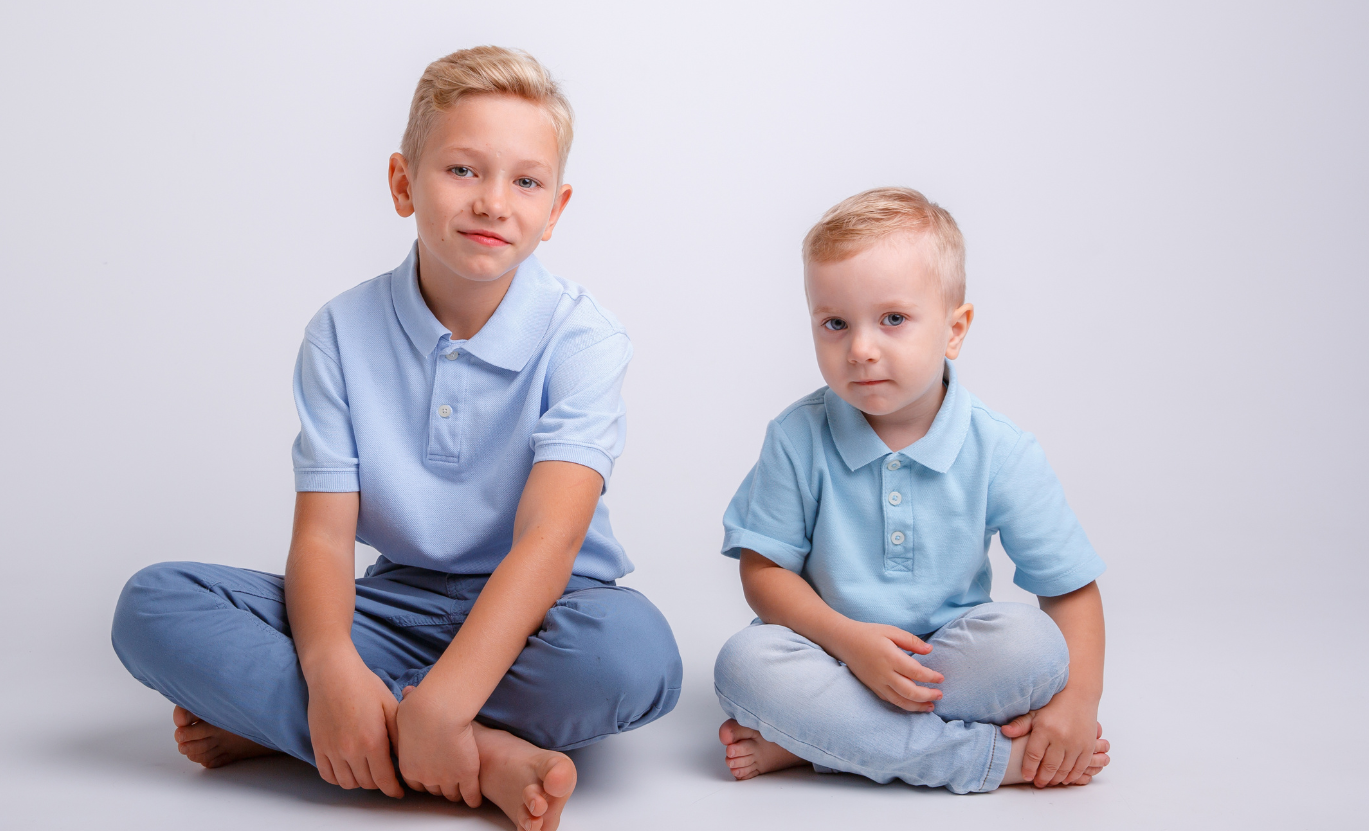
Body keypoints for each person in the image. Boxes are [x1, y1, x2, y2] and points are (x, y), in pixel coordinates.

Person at [111, 46, 682, 831]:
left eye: (526, 180)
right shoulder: (340, 333)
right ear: (403, 184)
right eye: (462, 171)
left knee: (638, 657)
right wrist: (331, 665)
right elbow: (322, 538)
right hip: (392, 605)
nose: (493, 201)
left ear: (556, 209)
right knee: (152, 603)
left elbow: (550, 539)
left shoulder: (584, 338)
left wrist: (446, 697)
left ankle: (326, 733)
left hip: (547, 612)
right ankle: (473, 753)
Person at [713, 187, 1110, 793]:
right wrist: (853, 644)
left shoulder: (1001, 449)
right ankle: (986, 761)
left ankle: (818, 742)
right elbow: (763, 575)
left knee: (1034, 647)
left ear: (955, 330)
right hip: (831, 653)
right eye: (835, 324)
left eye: (893, 319)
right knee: (744, 666)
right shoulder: (797, 436)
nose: (862, 349)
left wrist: (1078, 704)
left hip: (950, 663)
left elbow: (1071, 591)